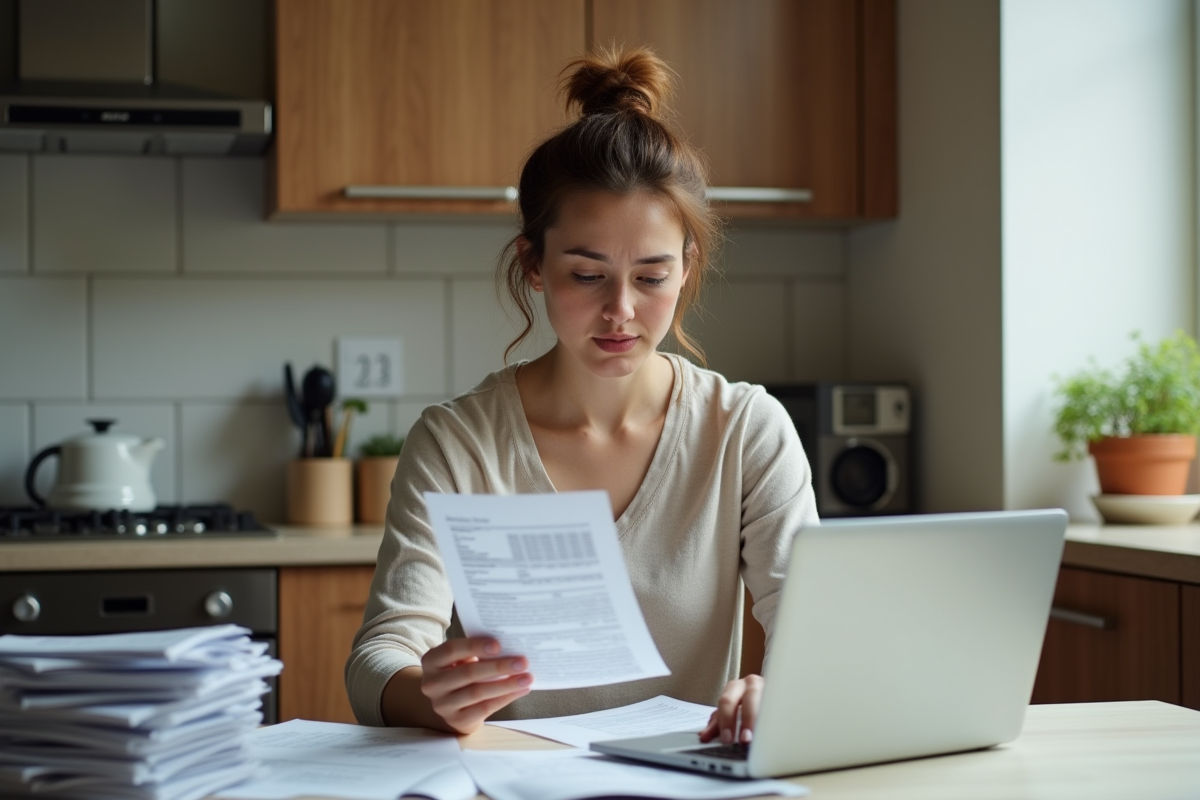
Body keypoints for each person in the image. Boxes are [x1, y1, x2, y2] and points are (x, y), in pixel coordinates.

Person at [345, 46, 817, 747]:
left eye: (652, 277)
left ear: (687, 269)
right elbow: (377, 662)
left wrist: (778, 689)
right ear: (533, 264)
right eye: (587, 275)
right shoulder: (457, 444)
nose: (621, 310)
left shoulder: (744, 430)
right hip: (506, 784)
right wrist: (429, 695)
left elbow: (812, 627)